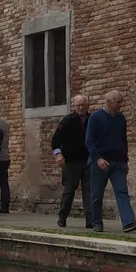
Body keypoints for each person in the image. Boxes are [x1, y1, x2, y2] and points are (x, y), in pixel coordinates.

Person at [86, 90, 136, 233]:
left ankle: (128, 222)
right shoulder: (95, 117)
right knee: (97, 194)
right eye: (118, 102)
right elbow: (89, 141)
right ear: (108, 102)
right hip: (100, 162)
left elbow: (123, 140)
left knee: (122, 192)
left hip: (118, 162)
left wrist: (125, 160)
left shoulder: (121, 119)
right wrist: (98, 158)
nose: (120, 105)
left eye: (121, 102)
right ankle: (97, 222)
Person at [52, 94, 93, 229]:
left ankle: (90, 220)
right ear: (74, 106)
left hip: (88, 160)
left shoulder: (92, 119)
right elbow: (56, 140)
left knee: (89, 191)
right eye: (78, 105)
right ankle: (62, 217)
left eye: (83, 105)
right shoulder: (68, 120)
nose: (81, 107)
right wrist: (58, 154)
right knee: (69, 190)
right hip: (71, 161)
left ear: (88, 105)